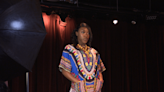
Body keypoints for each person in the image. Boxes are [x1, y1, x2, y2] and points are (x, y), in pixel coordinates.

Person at [59, 23, 106, 92]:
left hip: (94, 88)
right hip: (78, 89)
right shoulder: (69, 49)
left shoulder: (94, 52)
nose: (86, 35)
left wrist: (101, 81)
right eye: (83, 32)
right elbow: (64, 70)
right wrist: (78, 83)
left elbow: (99, 69)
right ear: (76, 33)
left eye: (88, 33)